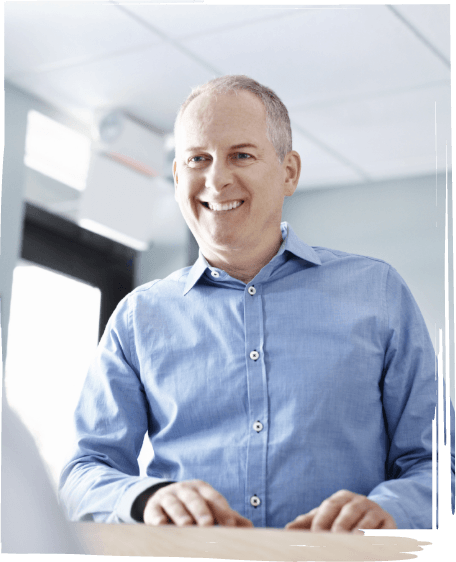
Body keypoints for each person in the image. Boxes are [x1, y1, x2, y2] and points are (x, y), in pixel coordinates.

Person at [59, 75, 455, 532]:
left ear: (289, 172)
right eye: (197, 159)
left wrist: (393, 508)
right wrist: (144, 497)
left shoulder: (377, 292)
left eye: (241, 155)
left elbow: (438, 465)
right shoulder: (137, 318)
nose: (217, 178)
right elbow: (83, 473)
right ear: (176, 176)